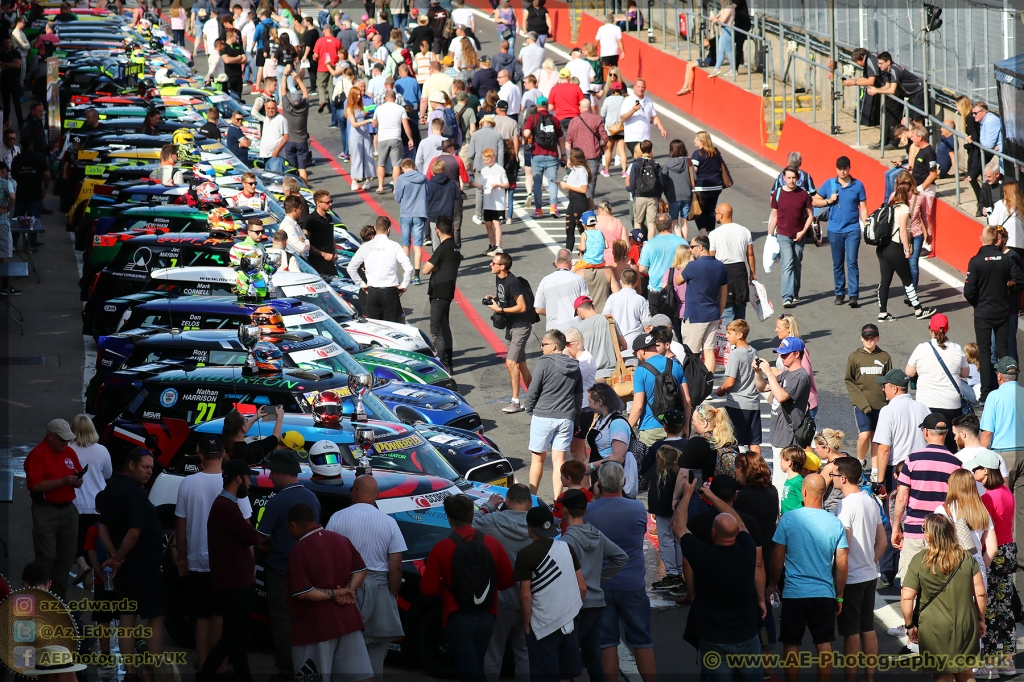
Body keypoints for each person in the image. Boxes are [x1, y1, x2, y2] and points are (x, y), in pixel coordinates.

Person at [672, 470, 763, 682]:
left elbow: (679, 527)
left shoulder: (703, 555)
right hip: (746, 634)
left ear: (713, 533)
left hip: (714, 637)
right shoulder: (747, 549)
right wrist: (713, 496)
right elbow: (739, 524)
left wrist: (688, 494)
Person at [176, 435, 253, 670]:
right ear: (222, 454)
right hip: (227, 565)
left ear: (200, 456)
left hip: (197, 559)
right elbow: (247, 527)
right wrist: (250, 560)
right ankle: (219, 668)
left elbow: (181, 524)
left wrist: (181, 557)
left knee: (202, 616)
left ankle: (204, 662)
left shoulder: (187, 483)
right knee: (221, 616)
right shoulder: (234, 481)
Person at [422, 494, 515, 682]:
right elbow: (509, 580)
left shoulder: (442, 548)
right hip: (488, 615)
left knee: (469, 671)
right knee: (477, 666)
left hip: (457, 616)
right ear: (472, 516)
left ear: (448, 518)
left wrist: (449, 586)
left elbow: (428, 588)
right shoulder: (492, 544)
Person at [768, 474, 849, 682]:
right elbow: (841, 564)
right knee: (823, 643)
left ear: (803, 492)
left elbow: (778, 557)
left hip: (794, 592)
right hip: (824, 592)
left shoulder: (789, 518)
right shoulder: (835, 523)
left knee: (791, 642)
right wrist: (839, 595)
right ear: (823, 493)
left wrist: (773, 584)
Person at [324, 475, 406, 682]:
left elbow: (326, 557)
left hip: (345, 590)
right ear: (377, 495)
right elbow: (395, 566)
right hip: (379, 592)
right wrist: (392, 595)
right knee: (375, 656)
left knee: (343, 651)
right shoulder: (389, 523)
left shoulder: (337, 518)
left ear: (354, 491)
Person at [285, 503, 374, 682]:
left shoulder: (299, 550)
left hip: (315, 626)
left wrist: (336, 593)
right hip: (348, 621)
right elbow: (361, 569)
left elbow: (304, 592)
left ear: (293, 525)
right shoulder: (340, 539)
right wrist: (348, 590)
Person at [584, 462, 657, 682]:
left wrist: (596, 499)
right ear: (623, 482)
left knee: (607, 643)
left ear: (599, 483)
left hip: (602, 584)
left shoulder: (588, 512)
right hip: (632, 583)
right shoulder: (636, 509)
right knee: (642, 641)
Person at [256, 449, 321, 679]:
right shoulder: (312, 498)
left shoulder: (278, 501)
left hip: (281, 572)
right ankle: (307, 669)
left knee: (283, 622)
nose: (270, 476)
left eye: (272, 471)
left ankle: (287, 670)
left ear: (283, 472)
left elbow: (259, 537)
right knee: (304, 621)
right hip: (309, 573)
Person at [99, 448, 166, 674]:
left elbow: (102, 526)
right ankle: (155, 670)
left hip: (125, 567)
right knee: (156, 616)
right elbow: (135, 532)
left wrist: (114, 557)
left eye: (151, 468)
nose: (150, 472)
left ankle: (130, 672)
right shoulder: (134, 493)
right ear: (131, 465)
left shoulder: (110, 489)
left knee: (127, 617)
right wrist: (117, 557)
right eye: (145, 467)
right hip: (144, 564)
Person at [899, 515, 986, 680]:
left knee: (942, 674)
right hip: (965, 623)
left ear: (929, 535)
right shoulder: (966, 558)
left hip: (933, 627)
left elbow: (907, 597)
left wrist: (910, 625)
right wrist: (980, 619)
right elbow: (980, 593)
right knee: (966, 673)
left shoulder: (920, 560)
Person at [559, 489, 628, 682]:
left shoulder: (566, 542)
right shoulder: (596, 534)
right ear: (585, 509)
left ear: (564, 510)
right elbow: (621, 557)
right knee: (593, 658)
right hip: (597, 604)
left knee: (568, 660)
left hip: (576, 607)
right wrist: (597, 579)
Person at [202, 458, 261, 682]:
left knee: (238, 641)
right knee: (231, 639)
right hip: (236, 586)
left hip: (234, 584)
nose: (250, 483)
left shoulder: (226, 505)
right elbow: (249, 536)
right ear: (238, 478)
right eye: (247, 478)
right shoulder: (226, 507)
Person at [515, 505, 586, 682]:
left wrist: (526, 623)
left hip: (542, 625)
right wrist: (572, 611)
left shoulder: (525, 554)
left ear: (530, 528)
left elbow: (525, 594)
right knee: (565, 675)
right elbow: (582, 587)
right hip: (569, 621)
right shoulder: (566, 548)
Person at [891, 413, 963, 584]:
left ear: (926, 433)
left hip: (915, 530)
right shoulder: (956, 463)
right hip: (942, 532)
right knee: (937, 582)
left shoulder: (912, 460)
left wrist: (896, 528)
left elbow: (901, 498)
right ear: (945, 434)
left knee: (910, 583)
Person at [472, 484, 534, 682]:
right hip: (531, 599)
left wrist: (488, 506)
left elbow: (470, 523)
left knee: (493, 653)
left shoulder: (491, 521)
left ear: (507, 501)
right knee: (525, 652)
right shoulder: (537, 526)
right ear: (529, 503)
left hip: (498, 598)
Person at [832, 457, 886, 682]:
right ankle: (870, 678)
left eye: (833, 474)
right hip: (868, 575)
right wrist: (869, 561)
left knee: (851, 632)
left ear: (843, 478)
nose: (831, 478)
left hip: (850, 577)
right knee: (867, 628)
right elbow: (882, 541)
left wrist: (839, 591)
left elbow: (842, 549)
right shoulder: (870, 501)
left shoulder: (843, 505)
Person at [965, 449, 1018, 678]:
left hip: (993, 553)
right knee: (1005, 608)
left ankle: (989, 664)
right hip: (1009, 549)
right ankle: (1007, 661)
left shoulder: (986, 498)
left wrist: (982, 565)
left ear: (985, 471)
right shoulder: (1007, 491)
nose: (974, 471)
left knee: (989, 610)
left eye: (976, 468)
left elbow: (984, 532)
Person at [978, 357, 1024, 590]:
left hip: (1002, 456)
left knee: (998, 509)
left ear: (999, 376)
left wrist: (978, 454)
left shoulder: (994, 397)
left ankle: (997, 556)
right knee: (1021, 512)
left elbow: (987, 433)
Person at [25, 418, 82, 599]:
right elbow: (35, 485)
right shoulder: (37, 455)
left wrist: (77, 481)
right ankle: (39, 594)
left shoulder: (70, 452)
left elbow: (76, 473)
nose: (65, 443)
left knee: (66, 556)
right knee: (47, 555)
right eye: (61, 439)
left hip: (68, 510)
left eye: (67, 439)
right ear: (50, 436)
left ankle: (58, 598)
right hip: (46, 511)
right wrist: (62, 482)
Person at [965, 227, 1024, 401]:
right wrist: (1007, 290)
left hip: (983, 313)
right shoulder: (1006, 259)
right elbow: (1020, 281)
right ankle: (1007, 391)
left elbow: (968, 291)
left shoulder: (976, 260)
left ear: (981, 239)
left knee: (984, 353)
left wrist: (977, 303)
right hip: (1002, 312)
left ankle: (986, 394)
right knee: (1003, 353)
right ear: (996, 239)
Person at [526, 329, 583, 498]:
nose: (541, 347)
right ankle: (558, 501)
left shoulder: (544, 362)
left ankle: (532, 498)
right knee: (559, 462)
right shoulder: (575, 366)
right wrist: (576, 419)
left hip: (543, 416)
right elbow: (578, 397)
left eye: (544, 344)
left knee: (537, 460)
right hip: (566, 418)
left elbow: (533, 390)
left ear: (553, 345)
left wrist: (530, 409)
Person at [754, 337, 812, 494]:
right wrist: (758, 373)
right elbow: (762, 387)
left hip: (789, 437)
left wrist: (769, 373)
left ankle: (783, 514)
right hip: (778, 434)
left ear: (797, 354)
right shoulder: (785, 375)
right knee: (778, 480)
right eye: (781, 354)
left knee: (783, 483)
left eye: (785, 355)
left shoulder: (801, 376)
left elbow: (780, 396)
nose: (782, 358)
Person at [905, 314, 970, 451]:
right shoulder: (957, 348)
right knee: (950, 442)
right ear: (946, 329)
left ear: (930, 329)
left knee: (926, 442)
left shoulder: (922, 348)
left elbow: (909, 372)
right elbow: (965, 373)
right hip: (952, 404)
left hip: (926, 404)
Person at [814, 156, 868, 307]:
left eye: (844, 169)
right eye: (839, 169)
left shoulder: (858, 185)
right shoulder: (830, 184)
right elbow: (814, 200)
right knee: (837, 263)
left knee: (852, 262)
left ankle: (853, 295)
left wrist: (867, 224)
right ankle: (839, 293)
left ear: (849, 168)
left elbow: (863, 207)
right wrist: (828, 201)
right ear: (836, 168)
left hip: (852, 229)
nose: (842, 171)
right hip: (834, 230)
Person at [486, 251, 533, 413]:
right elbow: (506, 296)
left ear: (502, 266)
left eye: (494, 263)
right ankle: (536, 397)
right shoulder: (499, 278)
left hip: (521, 326)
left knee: (510, 363)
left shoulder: (512, 282)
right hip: (511, 326)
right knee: (521, 365)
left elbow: (522, 306)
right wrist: (496, 298)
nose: (490, 265)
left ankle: (515, 401)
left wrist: (500, 309)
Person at [69, 415, 111, 588]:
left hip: (75, 504)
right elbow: (108, 474)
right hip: (96, 505)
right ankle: (91, 575)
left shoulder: (68, 449)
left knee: (74, 540)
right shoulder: (102, 450)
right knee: (92, 543)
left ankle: (82, 566)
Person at [347, 216, 413, 323]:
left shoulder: (366, 246)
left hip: (372, 292)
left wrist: (362, 285)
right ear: (389, 229)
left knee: (374, 327)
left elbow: (351, 268)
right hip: (390, 292)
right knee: (394, 327)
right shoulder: (394, 246)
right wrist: (404, 285)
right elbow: (409, 268)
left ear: (375, 227)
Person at [844, 324, 893, 465]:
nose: (869, 340)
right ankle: (859, 462)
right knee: (864, 435)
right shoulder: (854, 357)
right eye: (866, 338)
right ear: (861, 338)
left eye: (872, 337)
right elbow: (849, 381)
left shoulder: (884, 357)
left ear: (878, 338)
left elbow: (889, 380)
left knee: (877, 439)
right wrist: (862, 404)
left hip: (882, 406)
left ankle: (875, 471)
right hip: (862, 405)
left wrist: (890, 403)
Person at [630, 332, 689, 447]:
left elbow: (638, 407)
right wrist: (686, 426)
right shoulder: (675, 365)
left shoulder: (640, 371)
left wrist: (627, 429)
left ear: (641, 351)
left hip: (650, 429)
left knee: (651, 463)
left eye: (635, 353)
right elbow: (687, 400)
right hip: (674, 427)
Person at [680, 234, 727, 373]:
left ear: (700, 247)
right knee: (709, 350)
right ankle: (708, 383)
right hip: (713, 314)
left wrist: (688, 263)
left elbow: (677, 280)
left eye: (692, 247)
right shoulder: (720, 266)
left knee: (691, 353)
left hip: (695, 316)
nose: (690, 250)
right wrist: (719, 313)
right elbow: (724, 293)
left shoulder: (693, 266)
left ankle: (693, 385)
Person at [769, 166, 813, 308]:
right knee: (788, 263)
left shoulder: (803, 194)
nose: (791, 180)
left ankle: (794, 293)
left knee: (796, 264)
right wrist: (770, 235)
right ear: (784, 178)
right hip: (783, 234)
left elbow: (810, 216)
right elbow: (774, 216)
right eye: (788, 177)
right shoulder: (778, 193)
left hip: (799, 235)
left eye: (794, 178)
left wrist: (803, 232)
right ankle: (786, 297)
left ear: (798, 178)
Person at [422, 216, 462, 374]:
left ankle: (443, 365)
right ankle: (448, 362)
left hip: (438, 291)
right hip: (448, 290)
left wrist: (435, 267)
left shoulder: (443, 248)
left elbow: (425, 269)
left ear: (437, 231)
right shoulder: (455, 247)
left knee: (436, 329)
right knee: (445, 328)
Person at [716, 320, 761, 454]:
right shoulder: (754, 351)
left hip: (737, 405)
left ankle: (736, 471)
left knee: (734, 441)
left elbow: (730, 382)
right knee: (754, 442)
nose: (727, 336)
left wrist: (719, 391)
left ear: (740, 334)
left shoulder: (735, 354)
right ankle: (759, 471)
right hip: (753, 403)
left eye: (729, 333)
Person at [706, 204, 754, 323]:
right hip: (740, 271)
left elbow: (711, 256)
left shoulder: (714, 234)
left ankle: (728, 339)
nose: (715, 216)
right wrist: (753, 273)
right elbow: (750, 254)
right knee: (740, 308)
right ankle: (740, 338)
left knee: (726, 309)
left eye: (716, 213)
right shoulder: (745, 231)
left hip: (723, 271)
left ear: (721, 215)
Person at [522, 96, 563, 218]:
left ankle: (538, 209)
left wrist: (526, 135)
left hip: (537, 154)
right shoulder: (554, 119)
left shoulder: (533, 118)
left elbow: (527, 133)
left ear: (537, 105)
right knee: (553, 182)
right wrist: (564, 155)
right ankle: (553, 208)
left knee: (538, 182)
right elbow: (560, 138)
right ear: (547, 105)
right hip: (552, 154)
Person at [638, 213, 686, 315]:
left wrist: (651, 271)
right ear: (671, 226)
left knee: (658, 324)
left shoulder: (649, 244)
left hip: (657, 289)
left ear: (655, 227)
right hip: (679, 289)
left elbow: (642, 269)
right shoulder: (682, 242)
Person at [535, 249, 590, 332]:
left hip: (553, 330)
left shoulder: (545, 280)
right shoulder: (578, 279)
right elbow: (586, 305)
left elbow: (539, 309)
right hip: (575, 329)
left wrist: (553, 312)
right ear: (571, 261)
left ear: (556, 262)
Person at [476, 146, 510, 256]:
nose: (485, 162)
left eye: (487, 159)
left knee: (496, 223)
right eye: (484, 160)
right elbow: (482, 186)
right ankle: (492, 245)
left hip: (498, 202)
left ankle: (498, 246)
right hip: (488, 201)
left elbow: (507, 184)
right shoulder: (484, 171)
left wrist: (497, 185)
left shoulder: (500, 169)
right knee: (487, 223)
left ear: (493, 158)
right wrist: (474, 184)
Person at [619, 78, 666, 158]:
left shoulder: (648, 101)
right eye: (639, 87)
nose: (640, 89)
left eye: (642, 87)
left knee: (647, 161)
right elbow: (622, 118)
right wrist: (632, 111)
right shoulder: (628, 101)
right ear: (634, 87)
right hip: (633, 138)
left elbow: (654, 117)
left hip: (646, 139)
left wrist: (661, 128)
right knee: (640, 160)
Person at [602, 269, 647, 352]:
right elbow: (647, 324)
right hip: (636, 345)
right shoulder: (641, 300)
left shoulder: (612, 298)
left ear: (621, 282)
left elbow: (605, 319)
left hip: (617, 344)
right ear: (636, 282)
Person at [258, 99, 289, 173]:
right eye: (268, 108)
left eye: (273, 108)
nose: (270, 110)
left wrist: (276, 152)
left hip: (276, 157)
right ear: (265, 108)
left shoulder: (281, 119)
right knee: (269, 180)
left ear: (276, 108)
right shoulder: (266, 119)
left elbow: (286, 137)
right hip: (266, 156)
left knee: (276, 180)